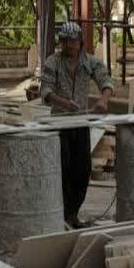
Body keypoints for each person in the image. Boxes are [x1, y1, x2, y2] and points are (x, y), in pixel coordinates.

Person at [40, 21, 114, 229]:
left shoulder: (89, 62)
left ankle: (72, 214)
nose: (69, 45)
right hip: (60, 124)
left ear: (80, 42)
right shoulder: (52, 62)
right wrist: (64, 103)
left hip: (81, 123)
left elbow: (106, 80)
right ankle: (62, 215)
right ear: (61, 42)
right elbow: (45, 91)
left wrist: (103, 100)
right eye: (65, 41)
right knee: (62, 170)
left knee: (82, 170)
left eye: (73, 41)